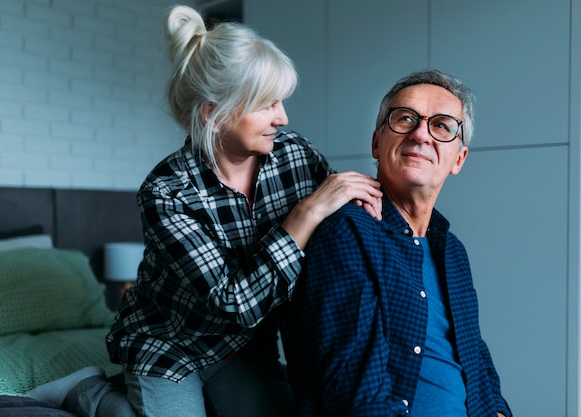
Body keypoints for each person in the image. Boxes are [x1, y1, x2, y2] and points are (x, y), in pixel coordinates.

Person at [28, 4, 382, 417]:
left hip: (247, 349)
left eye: (280, 102)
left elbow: (339, 220)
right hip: (169, 348)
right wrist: (302, 216)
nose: (282, 117)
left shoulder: (296, 156)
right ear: (214, 113)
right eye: (267, 105)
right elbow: (234, 303)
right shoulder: (166, 193)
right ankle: (87, 390)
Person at [281, 69, 513, 417]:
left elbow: (474, 355)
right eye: (405, 119)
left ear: (459, 159)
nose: (421, 134)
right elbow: (354, 390)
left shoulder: (452, 251)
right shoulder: (347, 232)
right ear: (377, 142)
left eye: (442, 125)